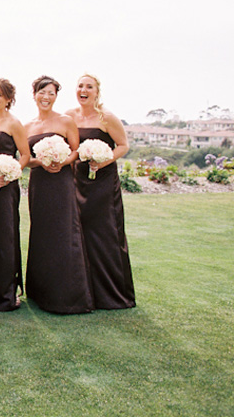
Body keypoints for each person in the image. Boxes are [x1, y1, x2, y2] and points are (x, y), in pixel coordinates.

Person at [24, 75, 93, 314]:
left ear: (56, 96)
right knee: (42, 233)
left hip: (61, 182)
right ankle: (40, 291)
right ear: (34, 95)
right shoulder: (27, 127)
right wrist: (40, 161)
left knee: (64, 231)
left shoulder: (65, 121)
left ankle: (68, 294)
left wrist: (62, 161)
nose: (46, 97)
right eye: (42, 92)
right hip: (39, 183)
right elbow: (25, 160)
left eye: (51, 93)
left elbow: (76, 151)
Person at [66, 74, 135, 309]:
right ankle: (83, 290)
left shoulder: (107, 117)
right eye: (80, 86)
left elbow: (124, 145)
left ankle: (112, 294)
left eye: (89, 87)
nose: (84, 90)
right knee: (79, 233)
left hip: (102, 183)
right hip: (77, 180)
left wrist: (104, 161)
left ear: (97, 91)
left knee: (104, 233)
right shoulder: (70, 116)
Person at [0, 78, 30, 311]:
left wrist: (11, 173)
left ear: (9, 98)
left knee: (4, 235)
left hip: (5, 186)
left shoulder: (14, 124)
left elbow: (25, 156)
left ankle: (6, 293)